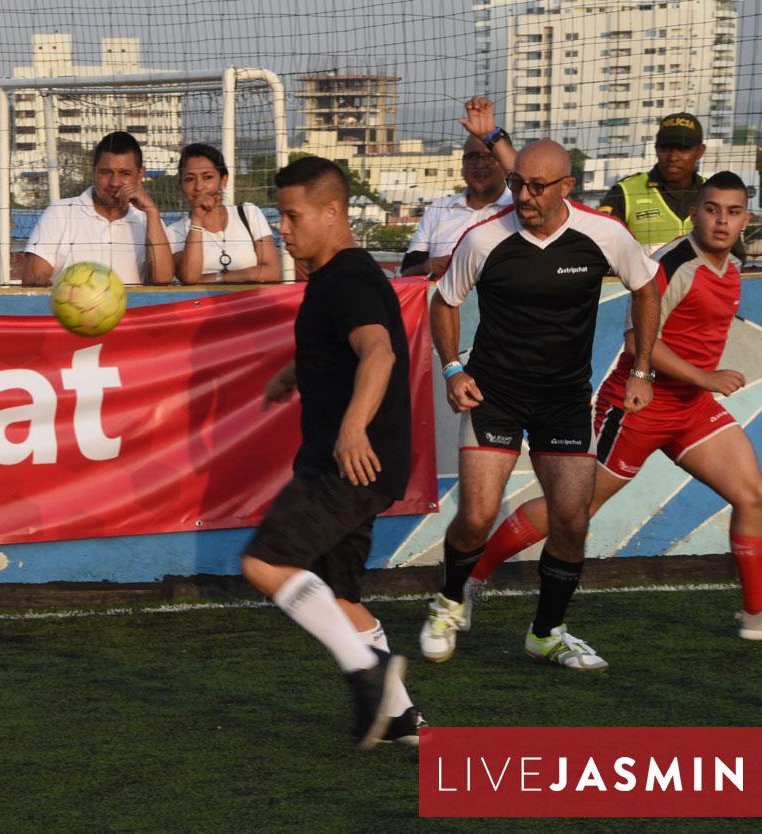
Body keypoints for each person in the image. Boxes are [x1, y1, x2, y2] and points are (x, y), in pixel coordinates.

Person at [467, 172, 762, 641]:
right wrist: (706, 377)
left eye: (732, 212)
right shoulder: (674, 263)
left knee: (752, 496)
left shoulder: (730, 266)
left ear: (746, 218)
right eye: (711, 209)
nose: (721, 221)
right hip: (638, 405)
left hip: (692, 409)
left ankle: (755, 616)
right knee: (577, 509)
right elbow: (636, 342)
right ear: (694, 213)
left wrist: (701, 386)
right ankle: (473, 574)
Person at [419, 138, 661, 671]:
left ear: (566, 187)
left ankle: (547, 634)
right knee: (478, 516)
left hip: (564, 398)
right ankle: (449, 602)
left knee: (572, 521)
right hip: (495, 395)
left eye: (535, 186)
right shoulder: (483, 238)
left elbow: (647, 288)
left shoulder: (604, 235)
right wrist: (453, 368)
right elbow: (444, 302)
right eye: (517, 183)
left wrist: (641, 368)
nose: (522, 195)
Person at [243, 155, 425, 748]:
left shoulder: (346, 277)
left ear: (332, 212)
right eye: (280, 216)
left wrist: (351, 428)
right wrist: (295, 373)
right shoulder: (335, 276)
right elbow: (343, 347)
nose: (283, 229)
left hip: (349, 460)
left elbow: (378, 353)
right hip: (360, 460)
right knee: (342, 598)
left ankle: (366, 677)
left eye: (293, 217)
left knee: (264, 564)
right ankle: (402, 720)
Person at [22, 131, 173, 287]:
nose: (114, 182)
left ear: (140, 174)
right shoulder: (59, 213)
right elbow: (31, 281)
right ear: (94, 170)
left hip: (131, 311)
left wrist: (152, 212)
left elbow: (161, 280)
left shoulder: (150, 221)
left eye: (125, 173)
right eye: (106, 172)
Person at [599, 112, 745, 261]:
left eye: (683, 149)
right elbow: (600, 249)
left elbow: (736, 257)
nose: (673, 157)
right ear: (656, 149)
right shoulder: (624, 192)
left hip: (704, 284)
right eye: (666, 148)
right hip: (644, 284)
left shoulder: (715, 194)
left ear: (700, 151)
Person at [401, 106, 512, 279]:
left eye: (489, 156)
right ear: (463, 161)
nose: (479, 165)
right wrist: (430, 266)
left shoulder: (518, 209)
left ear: (504, 162)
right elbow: (407, 273)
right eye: (473, 156)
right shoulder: (438, 210)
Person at [165, 143, 279, 283]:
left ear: (223, 180)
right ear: (181, 186)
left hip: (250, 304)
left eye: (207, 177)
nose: (199, 187)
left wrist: (218, 277)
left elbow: (272, 272)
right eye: (190, 179)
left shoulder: (248, 214)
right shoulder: (174, 232)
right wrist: (197, 220)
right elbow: (189, 277)